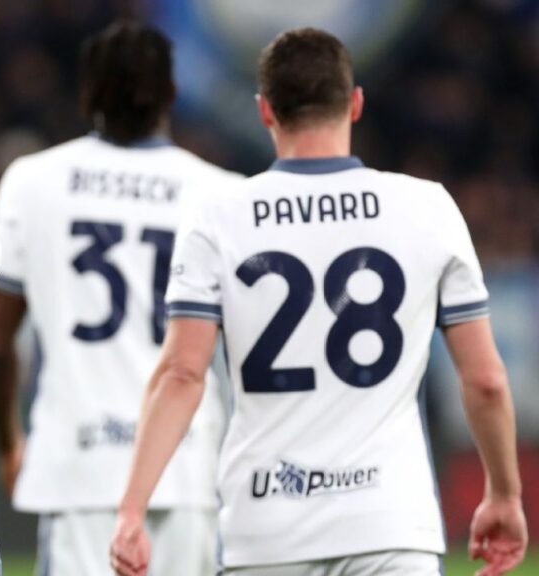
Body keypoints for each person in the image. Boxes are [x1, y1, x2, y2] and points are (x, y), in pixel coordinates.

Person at [111, 27, 528, 576]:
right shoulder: (427, 208)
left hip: (266, 529)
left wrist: (132, 509)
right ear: (354, 103)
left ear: (265, 110)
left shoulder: (218, 217)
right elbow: (485, 380)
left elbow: (182, 374)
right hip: (390, 524)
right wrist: (504, 495)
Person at [0, 21, 240, 576]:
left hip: (78, 467)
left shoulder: (34, 180)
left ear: (87, 94)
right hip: (186, 465)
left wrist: (10, 445)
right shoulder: (222, 193)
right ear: (171, 94)